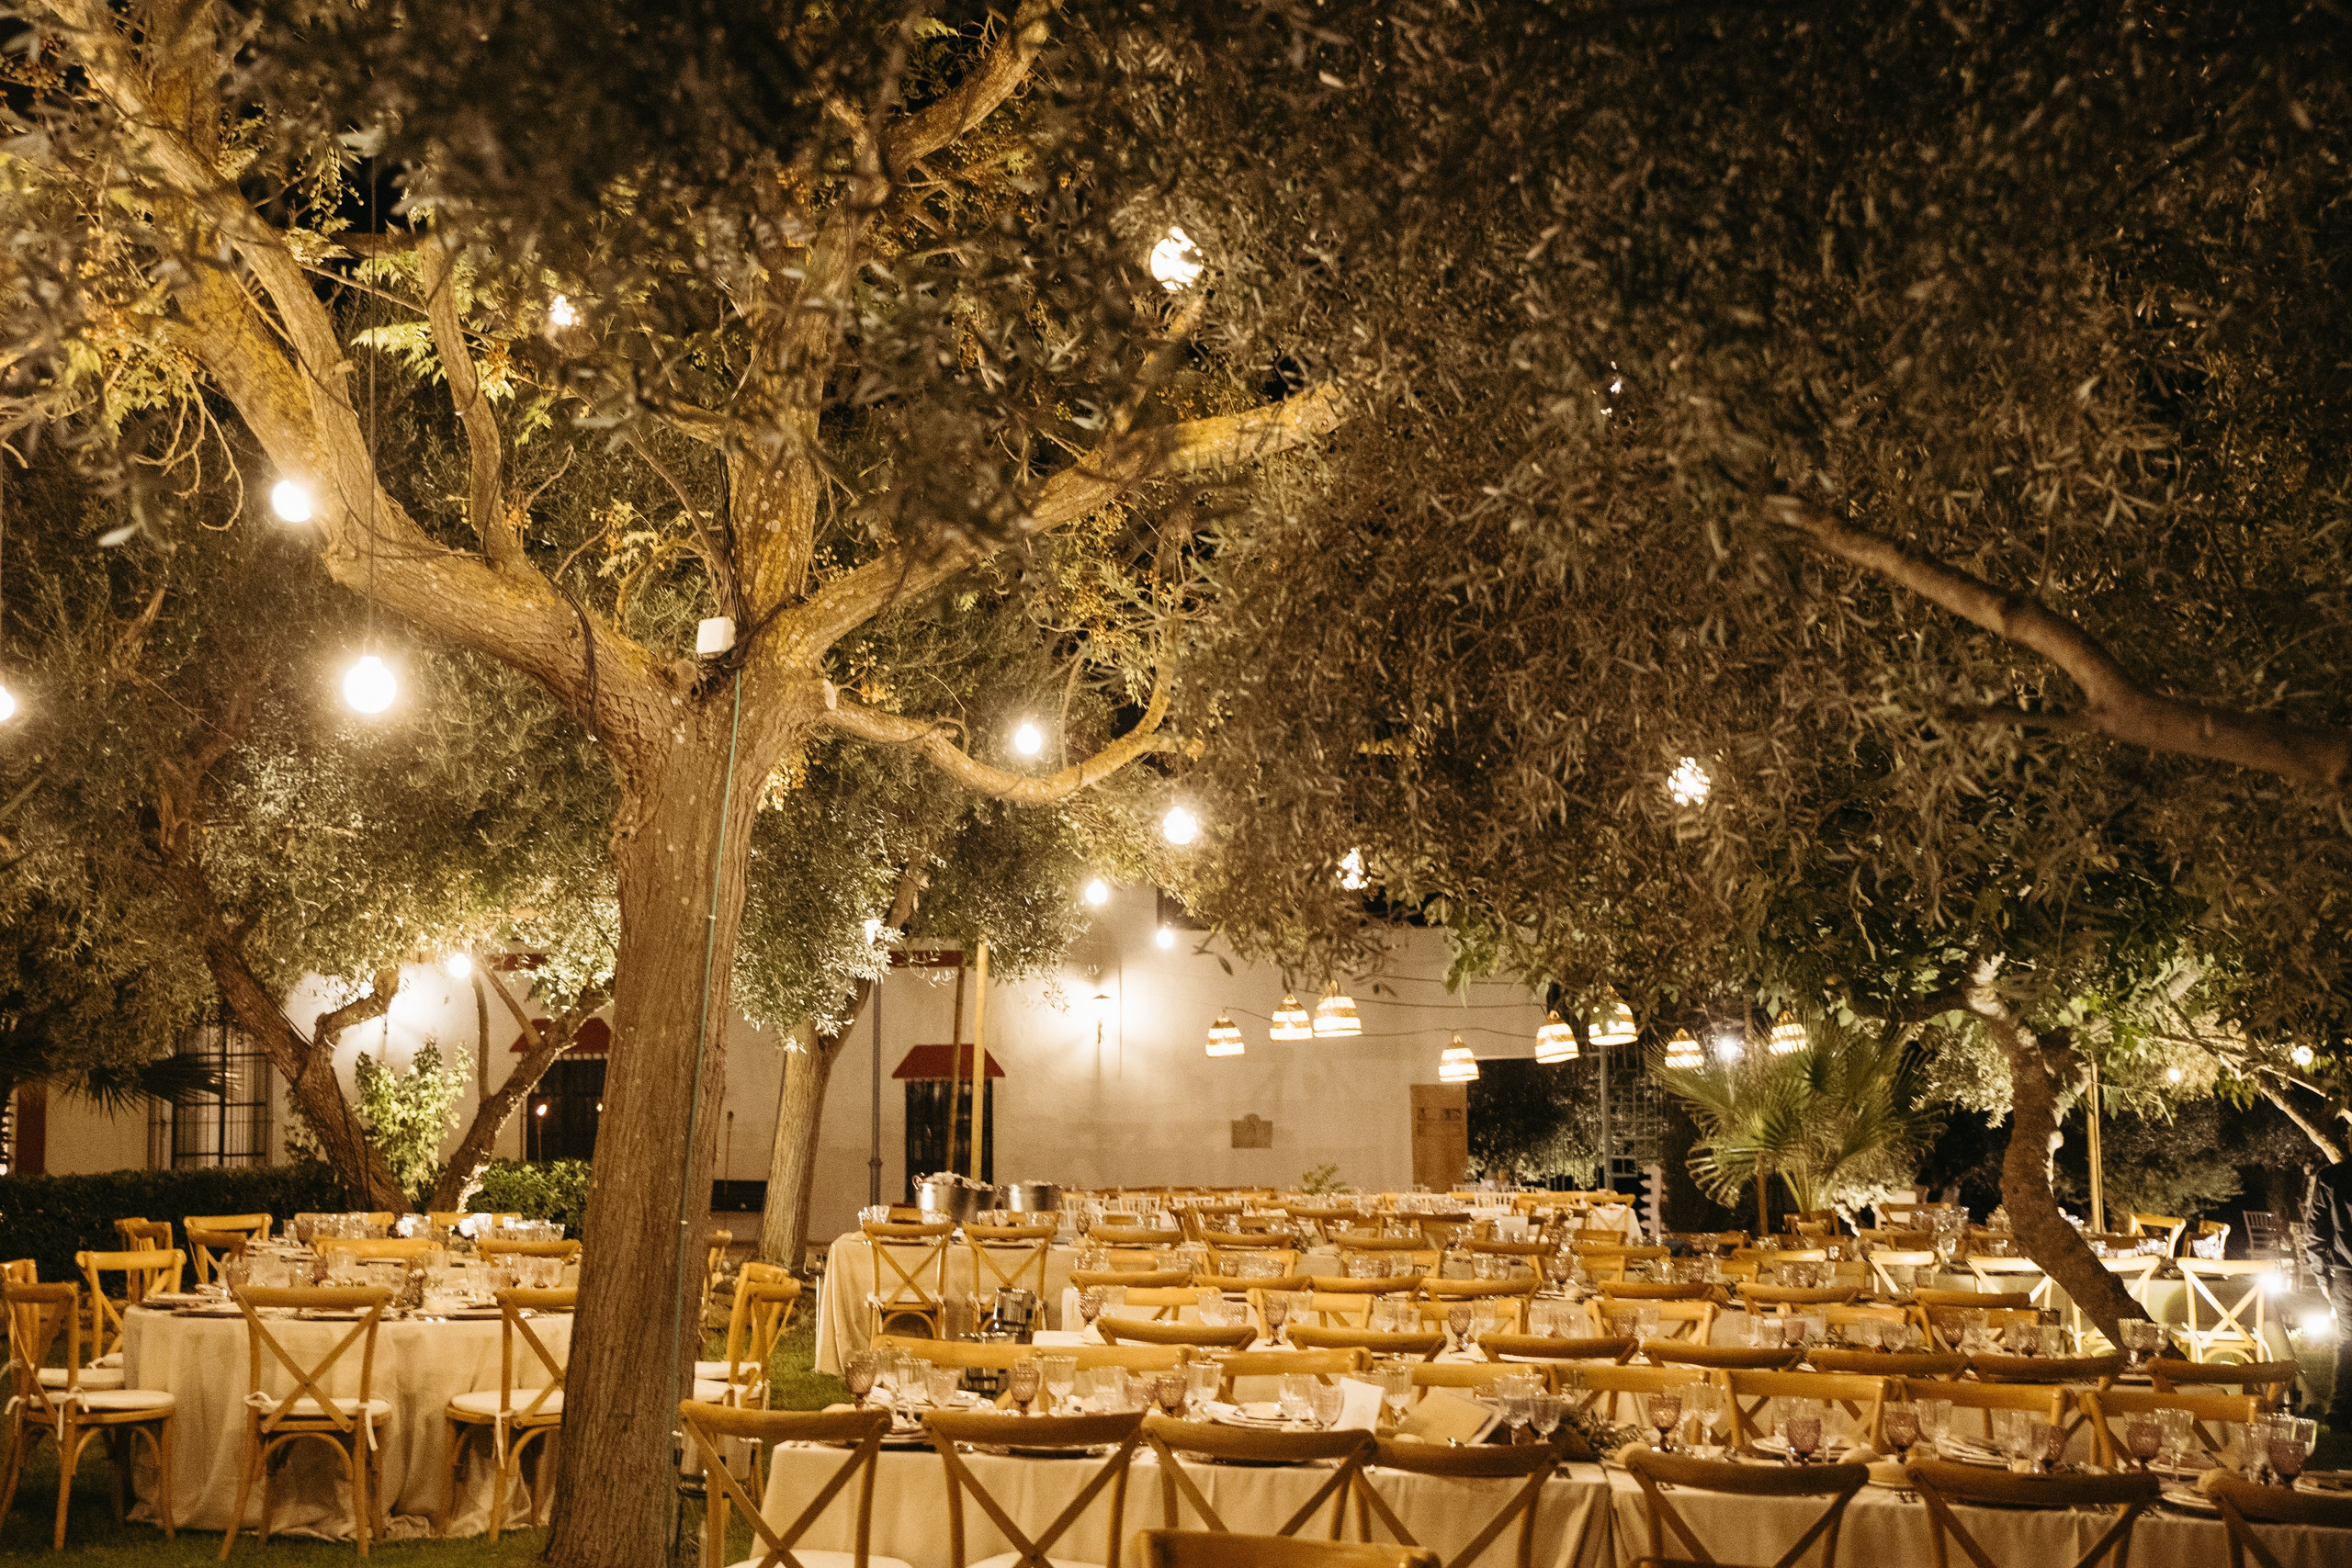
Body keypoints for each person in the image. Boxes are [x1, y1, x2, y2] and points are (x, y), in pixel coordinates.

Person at [2303, 1157, 2352, 1429]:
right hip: (2347, 1274)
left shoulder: (2333, 1177)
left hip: (2347, 1274)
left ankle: (2342, 1411)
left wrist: (2321, 1275)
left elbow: (2315, 1231)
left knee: (2349, 1345)